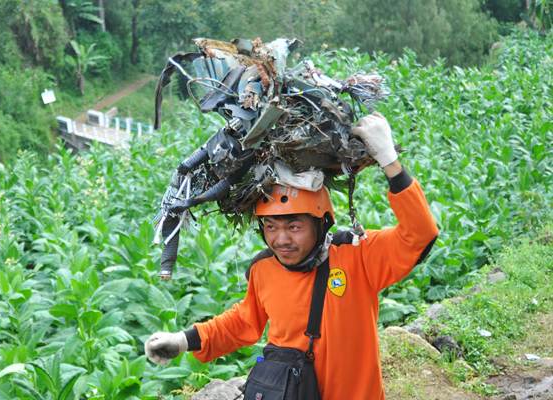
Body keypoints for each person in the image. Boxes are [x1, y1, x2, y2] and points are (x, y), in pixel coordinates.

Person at [144, 112, 439, 399]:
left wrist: (390, 162)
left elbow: (420, 234)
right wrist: (183, 340)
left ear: (321, 221)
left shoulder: (357, 256)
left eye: (294, 226)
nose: (281, 239)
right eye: (270, 226)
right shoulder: (264, 270)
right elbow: (243, 322)